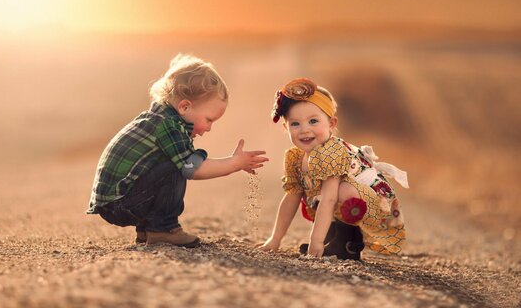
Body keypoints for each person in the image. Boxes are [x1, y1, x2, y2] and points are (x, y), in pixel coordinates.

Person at [86, 54, 268, 248]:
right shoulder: (169, 126)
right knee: (178, 166)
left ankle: (147, 229)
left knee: (169, 163)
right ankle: (163, 229)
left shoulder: (158, 118)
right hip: (120, 204)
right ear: (185, 106)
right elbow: (193, 168)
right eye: (209, 119)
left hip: (116, 201)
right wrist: (234, 163)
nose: (209, 128)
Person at [260, 78, 408, 258]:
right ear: (286, 127)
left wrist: (316, 241)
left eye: (313, 121)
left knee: (339, 190)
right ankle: (333, 235)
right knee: (309, 191)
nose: (304, 130)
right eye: (295, 124)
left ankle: (348, 243)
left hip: (374, 206)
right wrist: (275, 239)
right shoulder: (296, 157)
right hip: (344, 203)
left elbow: (329, 200)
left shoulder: (333, 152)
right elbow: (291, 197)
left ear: (331, 124)